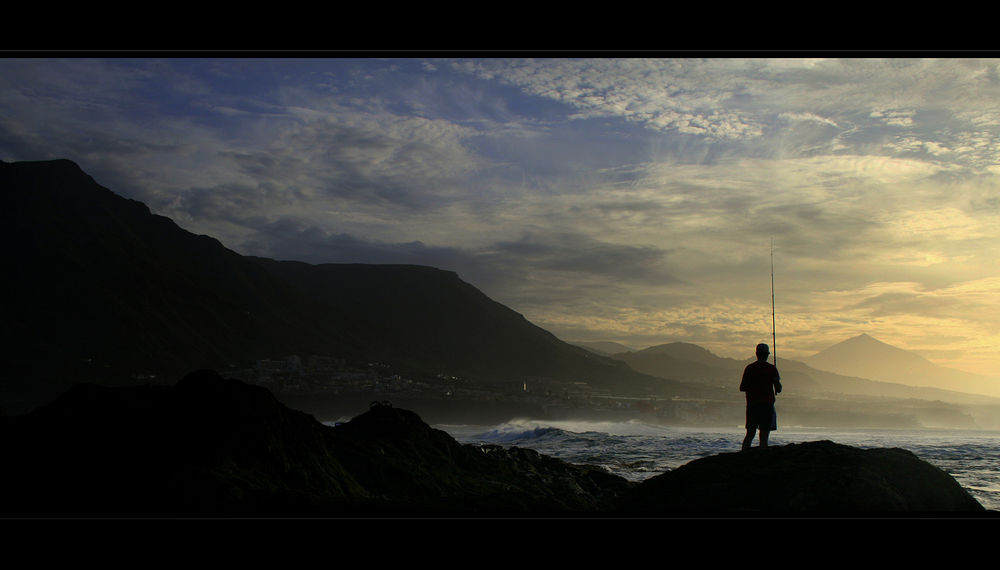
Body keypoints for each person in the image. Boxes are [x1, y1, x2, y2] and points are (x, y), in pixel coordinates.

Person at [740, 343, 781, 451]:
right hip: (766, 405)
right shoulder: (772, 369)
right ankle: (762, 457)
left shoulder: (749, 368)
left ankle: (743, 455)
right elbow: (779, 388)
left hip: (752, 404)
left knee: (750, 434)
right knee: (764, 435)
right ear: (767, 354)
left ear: (756, 354)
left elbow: (742, 387)